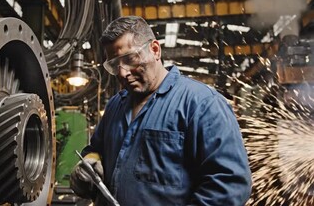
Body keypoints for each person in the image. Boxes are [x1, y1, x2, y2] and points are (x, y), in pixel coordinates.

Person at [70, 16, 252, 205]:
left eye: (130, 59)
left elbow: (229, 183)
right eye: (115, 65)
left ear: (155, 50)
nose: (122, 73)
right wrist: (88, 164)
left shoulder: (201, 104)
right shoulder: (116, 105)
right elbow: (96, 151)